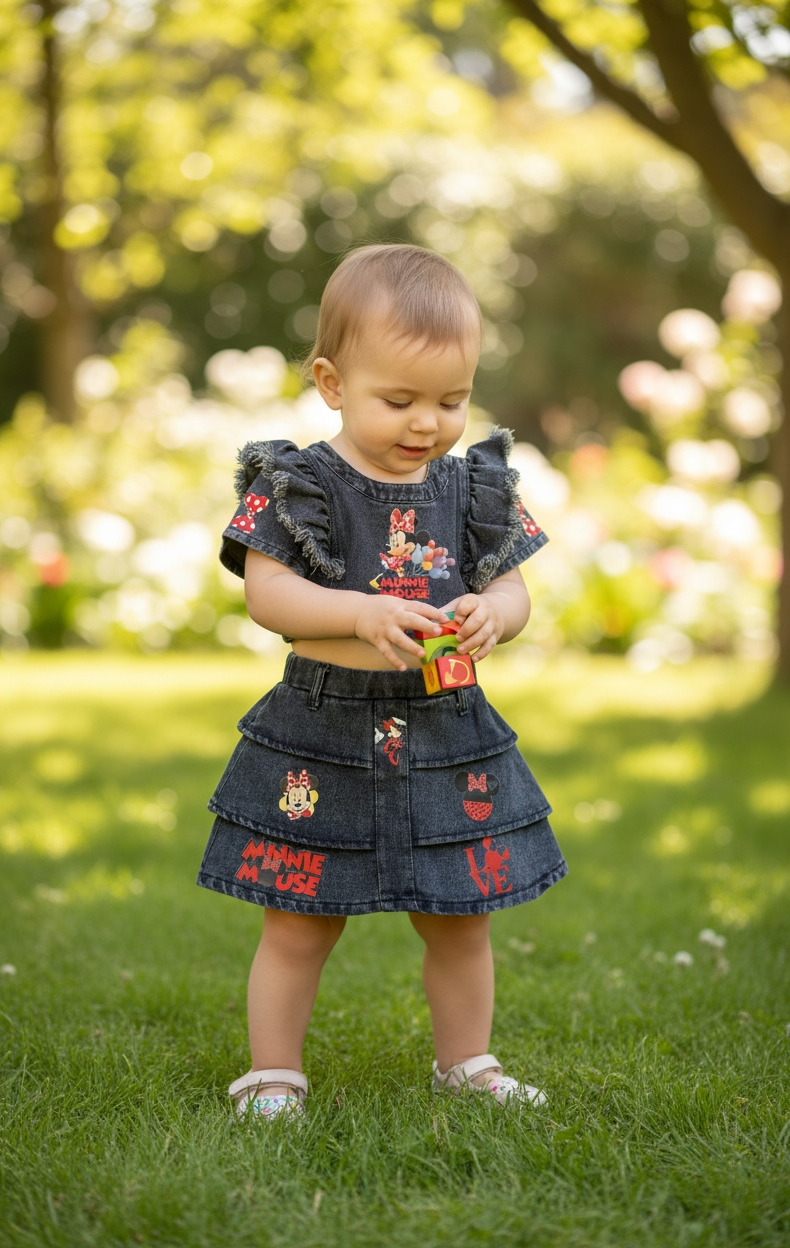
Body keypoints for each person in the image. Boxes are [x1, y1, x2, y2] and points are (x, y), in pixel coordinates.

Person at [197, 243, 567, 1119]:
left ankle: (467, 1062)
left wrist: (495, 614)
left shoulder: (475, 487)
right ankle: (274, 1072)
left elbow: (513, 583)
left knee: (460, 912)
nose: (427, 423)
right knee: (298, 915)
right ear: (331, 381)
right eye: (397, 399)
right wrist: (359, 611)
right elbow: (266, 592)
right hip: (322, 730)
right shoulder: (300, 484)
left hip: (446, 729)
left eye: (451, 399)